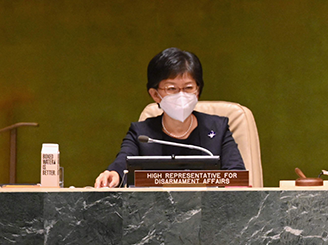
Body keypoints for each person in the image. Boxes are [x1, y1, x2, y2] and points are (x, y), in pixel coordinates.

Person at [94, 48, 245, 188]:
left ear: (198, 91)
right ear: (155, 94)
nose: (181, 95)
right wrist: (113, 174)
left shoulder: (218, 128)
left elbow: (237, 176)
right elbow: (123, 163)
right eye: (172, 89)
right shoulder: (142, 134)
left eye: (188, 88)